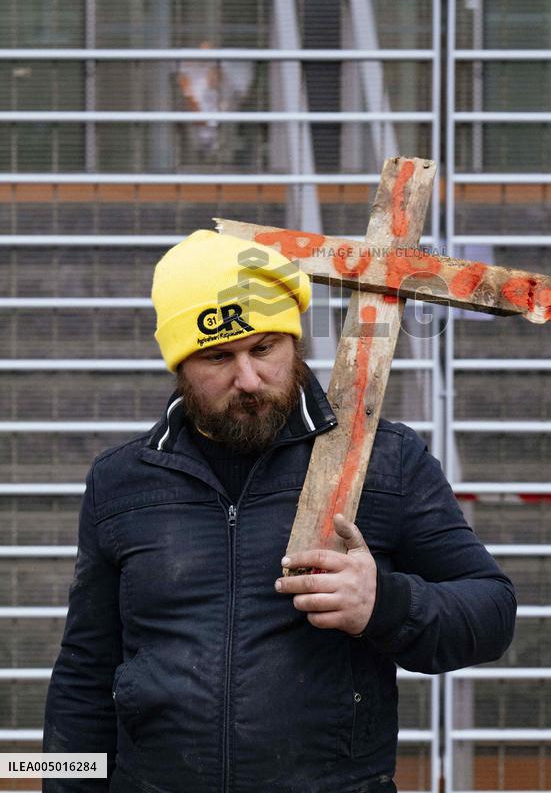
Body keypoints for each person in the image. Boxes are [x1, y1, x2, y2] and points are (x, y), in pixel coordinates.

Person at [43, 228, 516, 793]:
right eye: (218, 357)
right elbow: (83, 677)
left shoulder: (384, 461)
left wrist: (384, 603)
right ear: (178, 366)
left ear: (293, 341)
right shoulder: (121, 481)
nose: (248, 379)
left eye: (264, 348)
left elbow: (492, 610)